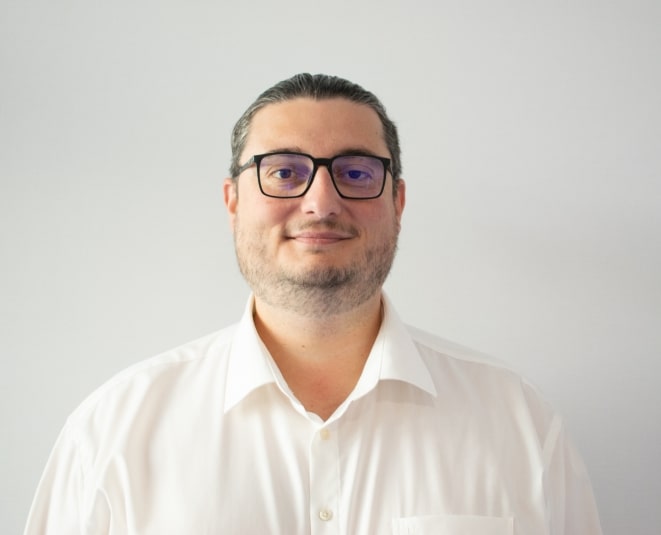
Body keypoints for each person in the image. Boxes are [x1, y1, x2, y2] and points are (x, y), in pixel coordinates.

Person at [25, 73, 602, 534]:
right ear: (233, 201)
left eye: (356, 172)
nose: (321, 202)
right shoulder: (112, 434)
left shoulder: (521, 425)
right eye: (283, 172)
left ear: (398, 202)